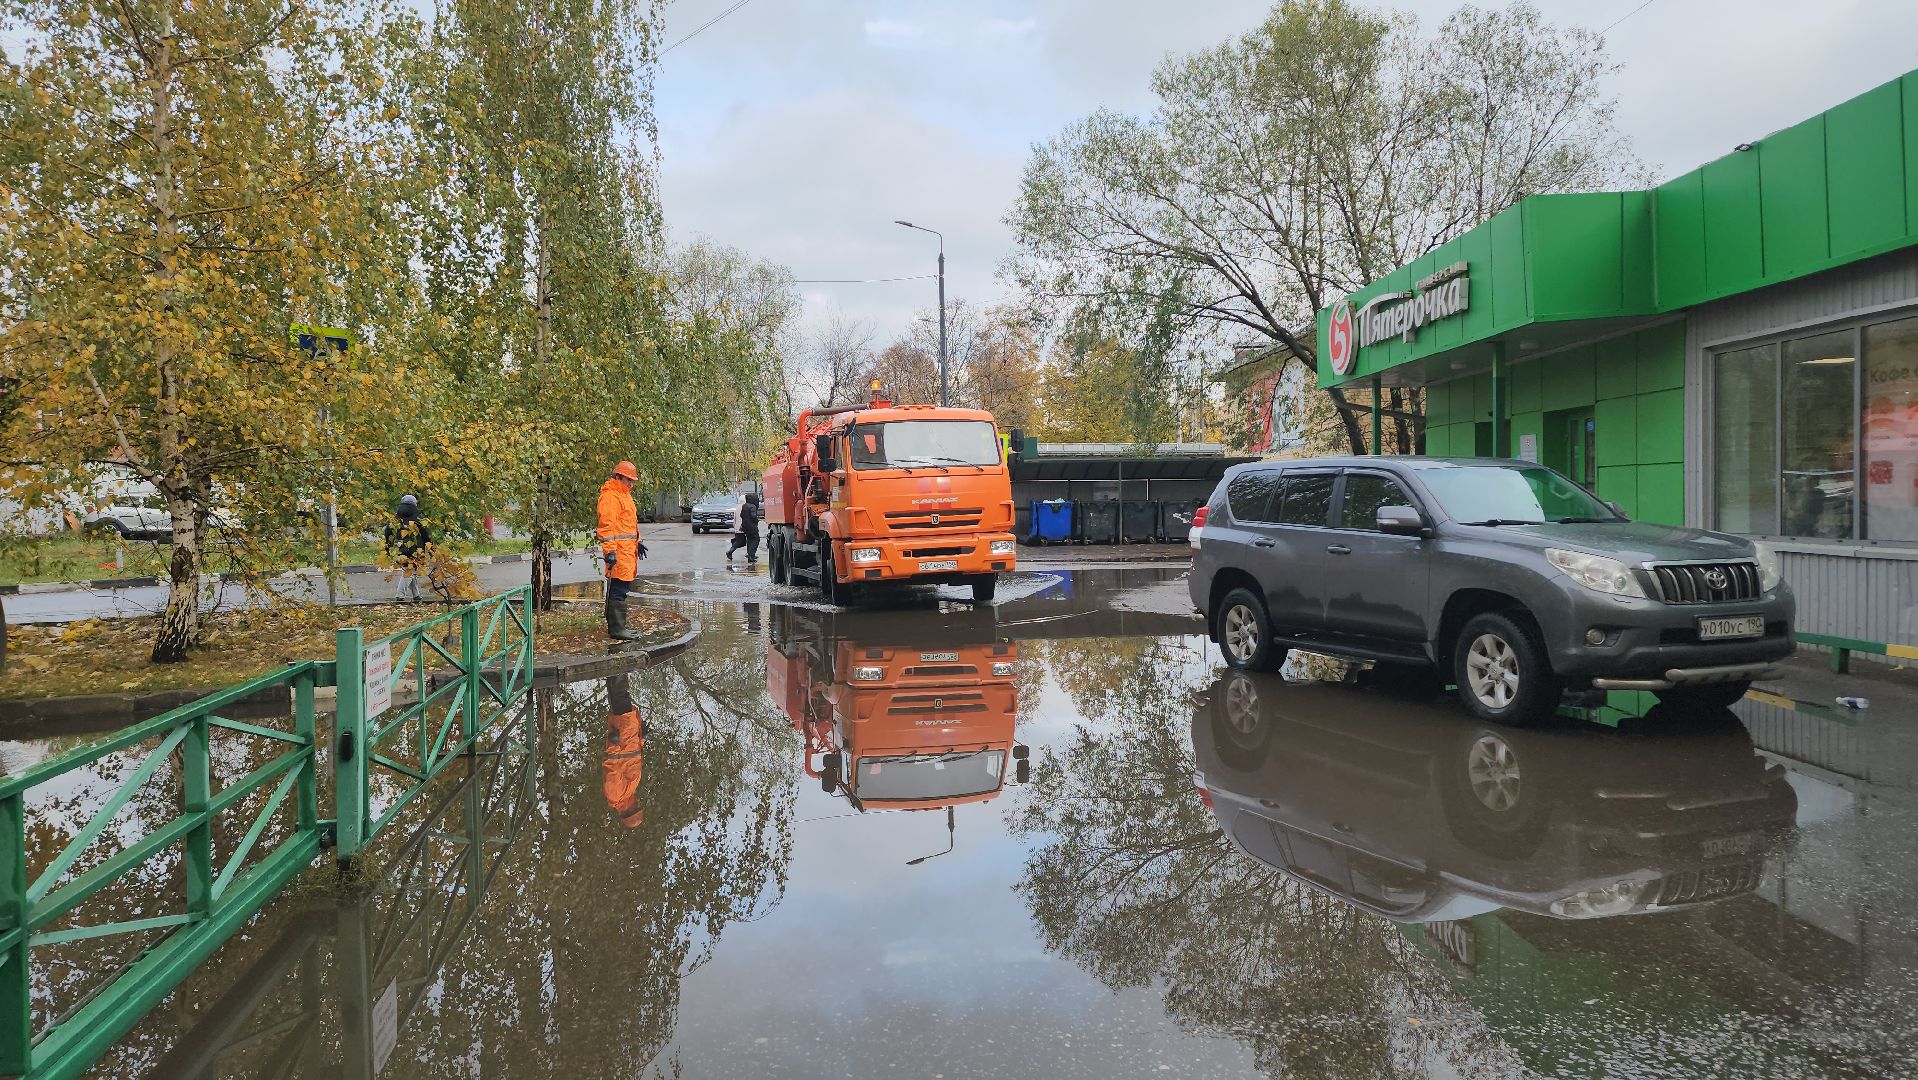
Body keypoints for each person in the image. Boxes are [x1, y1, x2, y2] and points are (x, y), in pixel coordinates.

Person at [596, 460, 648, 641]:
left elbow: (627, 526)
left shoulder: (624, 495)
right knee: (618, 589)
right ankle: (617, 629)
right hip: (618, 553)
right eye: (628, 479)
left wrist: (637, 542)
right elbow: (606, 526)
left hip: (626, 552)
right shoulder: (611, 496)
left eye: (633, 480)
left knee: (622, 589)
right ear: (618, 477)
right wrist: (609, 551)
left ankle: (619, 627)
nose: (631, 483)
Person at [601, 672, 646, 828]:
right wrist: (642, 739)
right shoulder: (629, 792)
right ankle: (615, 665)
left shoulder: (616, 795)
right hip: (631, 736)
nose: (638, 803)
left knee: (620, 695)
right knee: (619, 696)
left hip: (623, 737)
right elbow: (633, 761)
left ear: (629, 810)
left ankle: (619, 663)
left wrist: (613, 744)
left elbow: (612, 766)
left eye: (636, 807)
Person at [383, 494, 429, 602]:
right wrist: (430, 548)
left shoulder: (396, 520)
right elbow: (425, 536)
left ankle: (416, 595)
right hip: (415, 549)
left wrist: (388, 547)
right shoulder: (417, 520)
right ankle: (400, 596)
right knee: (410, 571)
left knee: (410, 570)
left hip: (399, 548)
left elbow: (387, 532)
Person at [727, 491, 761, 566]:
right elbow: (753, 516)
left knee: (749, 540)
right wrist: (757, 520)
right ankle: (750, 555)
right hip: (751, 527)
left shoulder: (744, 506)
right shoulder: (752, 506)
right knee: (755, 539)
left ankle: (750, 555)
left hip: (744, 527)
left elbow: (741, 515)